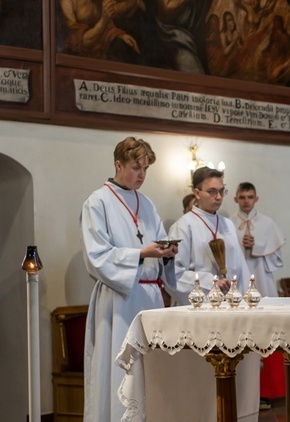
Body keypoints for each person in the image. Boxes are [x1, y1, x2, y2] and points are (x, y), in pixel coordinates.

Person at [80, 136, 178, 421]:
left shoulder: (146, 203)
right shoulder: (97, 203)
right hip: (119, 300)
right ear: (118, 164)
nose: (142, 174)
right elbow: (96, 257)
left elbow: (157, 243)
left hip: (150, 299)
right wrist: (139, 253)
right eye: (136, 167)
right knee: (121, 373)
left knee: (152, 372)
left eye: (146, 168)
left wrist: (167, 253)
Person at [168, 166, 261, 418]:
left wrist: (242, 295)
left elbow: (240, 267)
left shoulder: (228, 224)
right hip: (201, 315)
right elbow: (174, 275)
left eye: (222, 191)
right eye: (212, 191)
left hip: (231, 312)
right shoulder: (183, 227)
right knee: (205, 385)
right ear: (196, 192)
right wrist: (210, 282)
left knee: (239, 379)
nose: (218, 197)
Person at [229, 182, 286, 409]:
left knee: (266, 335)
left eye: (250, 197)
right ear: (235, 199)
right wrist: (240, 247)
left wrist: (258, 245)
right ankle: (242, 391)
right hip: (239, 287)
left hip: (263, 284)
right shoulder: (228, 224)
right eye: (242, 197)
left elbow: (278, 260)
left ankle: (268, 391)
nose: (246, 201)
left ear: (256, 199)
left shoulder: (267, 224)